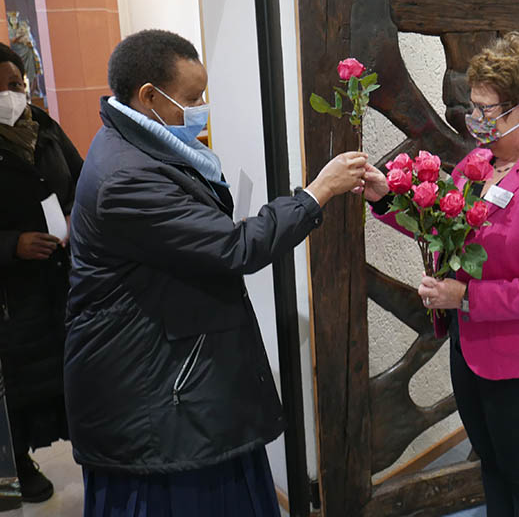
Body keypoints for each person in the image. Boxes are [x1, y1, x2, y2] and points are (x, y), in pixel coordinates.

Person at [64, 29, 368, 516]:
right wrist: (317, 193)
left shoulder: (139, 145)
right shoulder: (127, 177)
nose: (201, 106)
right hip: (156, 396)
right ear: (148, 97)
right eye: (191, 97)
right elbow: (233, 247)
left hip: (176, 372)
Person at [364, 32, 519, 516]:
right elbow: (442, 231)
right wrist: (386, 198)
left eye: (487, 110)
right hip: (470, 349)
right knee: (489, 462)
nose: (476, 119)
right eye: (476, 106)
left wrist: (463, 297)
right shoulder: (479, 164)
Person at [0, 40, 82, 503]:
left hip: (58, 276)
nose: (7, 93)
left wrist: (79, 217)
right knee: (15, 383)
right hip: (0, 291)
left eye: (15, 84)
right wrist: (9, 245)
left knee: (67, 367)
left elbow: (81, 178)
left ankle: (84, 443)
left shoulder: (44, 125)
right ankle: (16, 460)